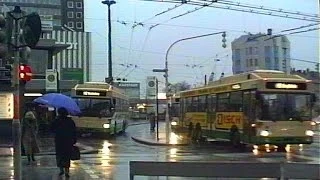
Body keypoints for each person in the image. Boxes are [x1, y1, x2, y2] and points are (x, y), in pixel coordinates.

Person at [50, 107, 77, 178]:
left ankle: (61, 169)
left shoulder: (56, 121)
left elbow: (51, 129)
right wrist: (74, 140)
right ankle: (67, 171)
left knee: (59, 155)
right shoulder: (70, 121)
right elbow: (74, 131)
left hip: (59, 141)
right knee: (67, 156)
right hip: (68, 141)